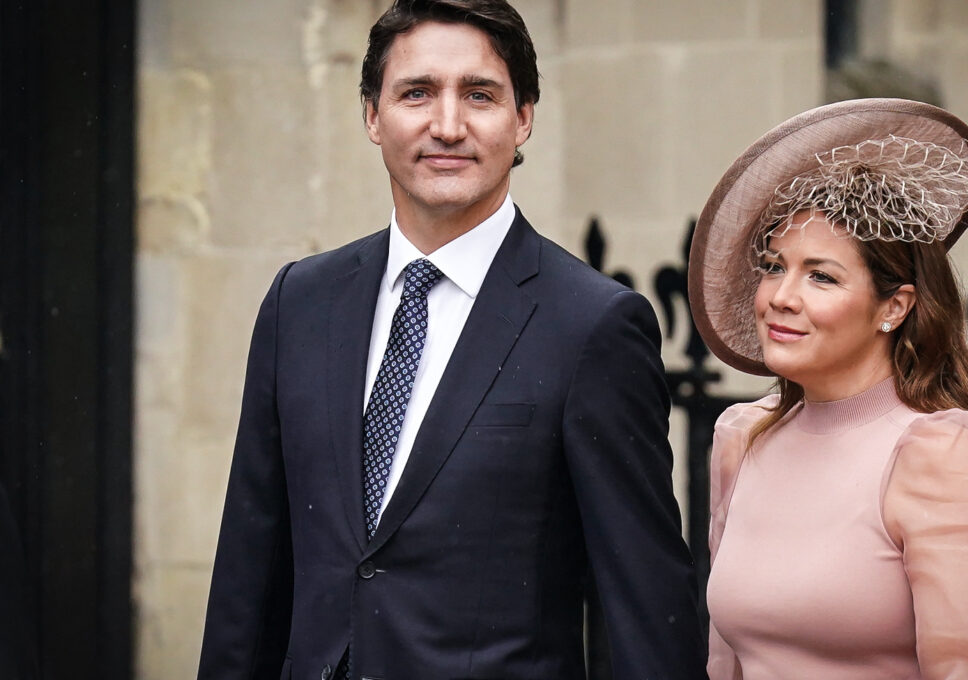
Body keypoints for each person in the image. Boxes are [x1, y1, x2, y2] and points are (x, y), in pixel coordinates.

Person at [196, 1, 707, 678]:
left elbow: (642, 603)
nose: (447, 125)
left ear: (523, 117)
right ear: (373, 116)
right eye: (416, 93)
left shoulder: (593, 326)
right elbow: (248, 572)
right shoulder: (300, 302)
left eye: (479, 95)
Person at [687, 98, 968, 679]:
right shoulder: (744, 440)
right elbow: (727, 663)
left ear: (893, 307)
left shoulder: (938, 453)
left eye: (821, 275)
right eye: (774, 266)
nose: (781, 297)